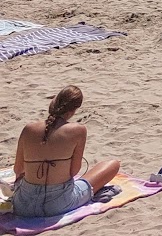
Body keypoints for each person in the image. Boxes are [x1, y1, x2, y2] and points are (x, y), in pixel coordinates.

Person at [9, 86, 121, 219]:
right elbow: (73, 172)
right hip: (61, 203)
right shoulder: (78, 130)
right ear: (74, 109)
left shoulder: (28, 129)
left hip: (23, 205)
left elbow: (18, 169)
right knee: (113, 164)